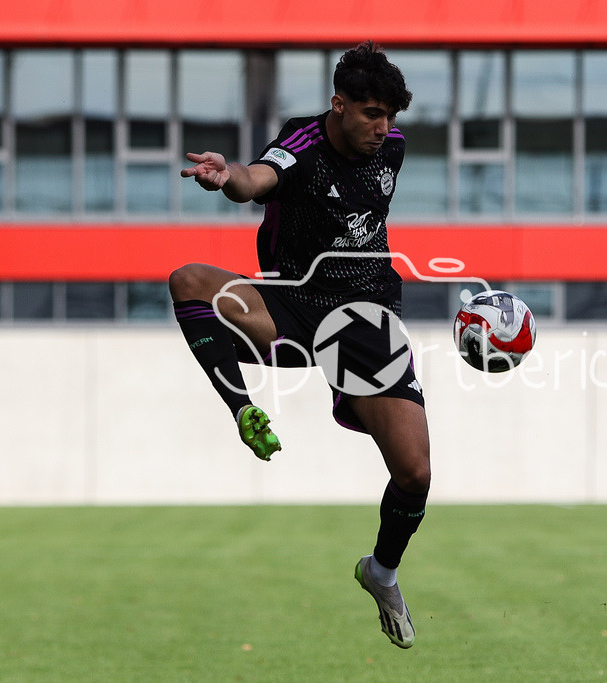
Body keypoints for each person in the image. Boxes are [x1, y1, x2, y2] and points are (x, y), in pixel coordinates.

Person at [169, 41, 428, 649]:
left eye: (390, 115)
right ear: (338, 105)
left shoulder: (391, 146)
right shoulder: (304, 142)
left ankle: (382, 573)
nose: (382, 128)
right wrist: (225, 173)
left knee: (414, 473)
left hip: (365, 318)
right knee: (188, 282)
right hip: (291, 302)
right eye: (370, 114)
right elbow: (255, 178)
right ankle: (243, 408)